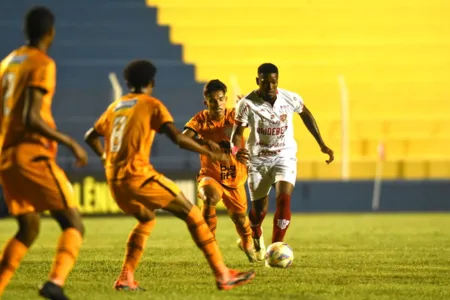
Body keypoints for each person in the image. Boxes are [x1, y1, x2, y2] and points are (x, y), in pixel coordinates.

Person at [84, 60, 255, 291]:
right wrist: (208, 150)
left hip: (114, 181)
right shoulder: (151, 104)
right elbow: (178, 138)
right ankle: (223, 274)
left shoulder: (116, 106)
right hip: (138, 176)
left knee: (146, 219)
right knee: (193, 213)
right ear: (151, 83)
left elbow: (90, 136)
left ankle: (126, 277)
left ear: (127, 83)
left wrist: (106, 159)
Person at [0, 6, 88, 300]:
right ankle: (55, 284)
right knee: (73, 223)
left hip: (6, 157)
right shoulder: (42, 63)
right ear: (50, 33)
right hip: (31, 155)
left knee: (29, 227)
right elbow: (31, 118)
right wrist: (70, 142)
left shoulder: (7, 64)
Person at [231, 63, 334, 261]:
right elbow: (237, 134)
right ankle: (256, 233)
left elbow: (306, 114)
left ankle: (275, 248)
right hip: (258, 160)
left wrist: (321, 144)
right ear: (257, 81)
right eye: (265, 82)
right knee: (258, 212)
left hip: (284, 156)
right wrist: (236, 151)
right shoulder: (246, 104)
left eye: (274, 81)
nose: (270, 86)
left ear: (278, 80)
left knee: (284, 199)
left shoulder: (290, 98)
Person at [182, 79, 256, 263]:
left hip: (235, 178)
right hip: (211, 175)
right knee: (209, 197)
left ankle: (247, 241)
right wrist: (204, 143)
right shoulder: (200, 120)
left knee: (240, 219)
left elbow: (260, 121)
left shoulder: (235, 115)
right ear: (205, 102)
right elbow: (182, 139)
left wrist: (250, 106)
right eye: (213, 101)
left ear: (226, 99)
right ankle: (211, 246)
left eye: (221, 99)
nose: (218, 104)